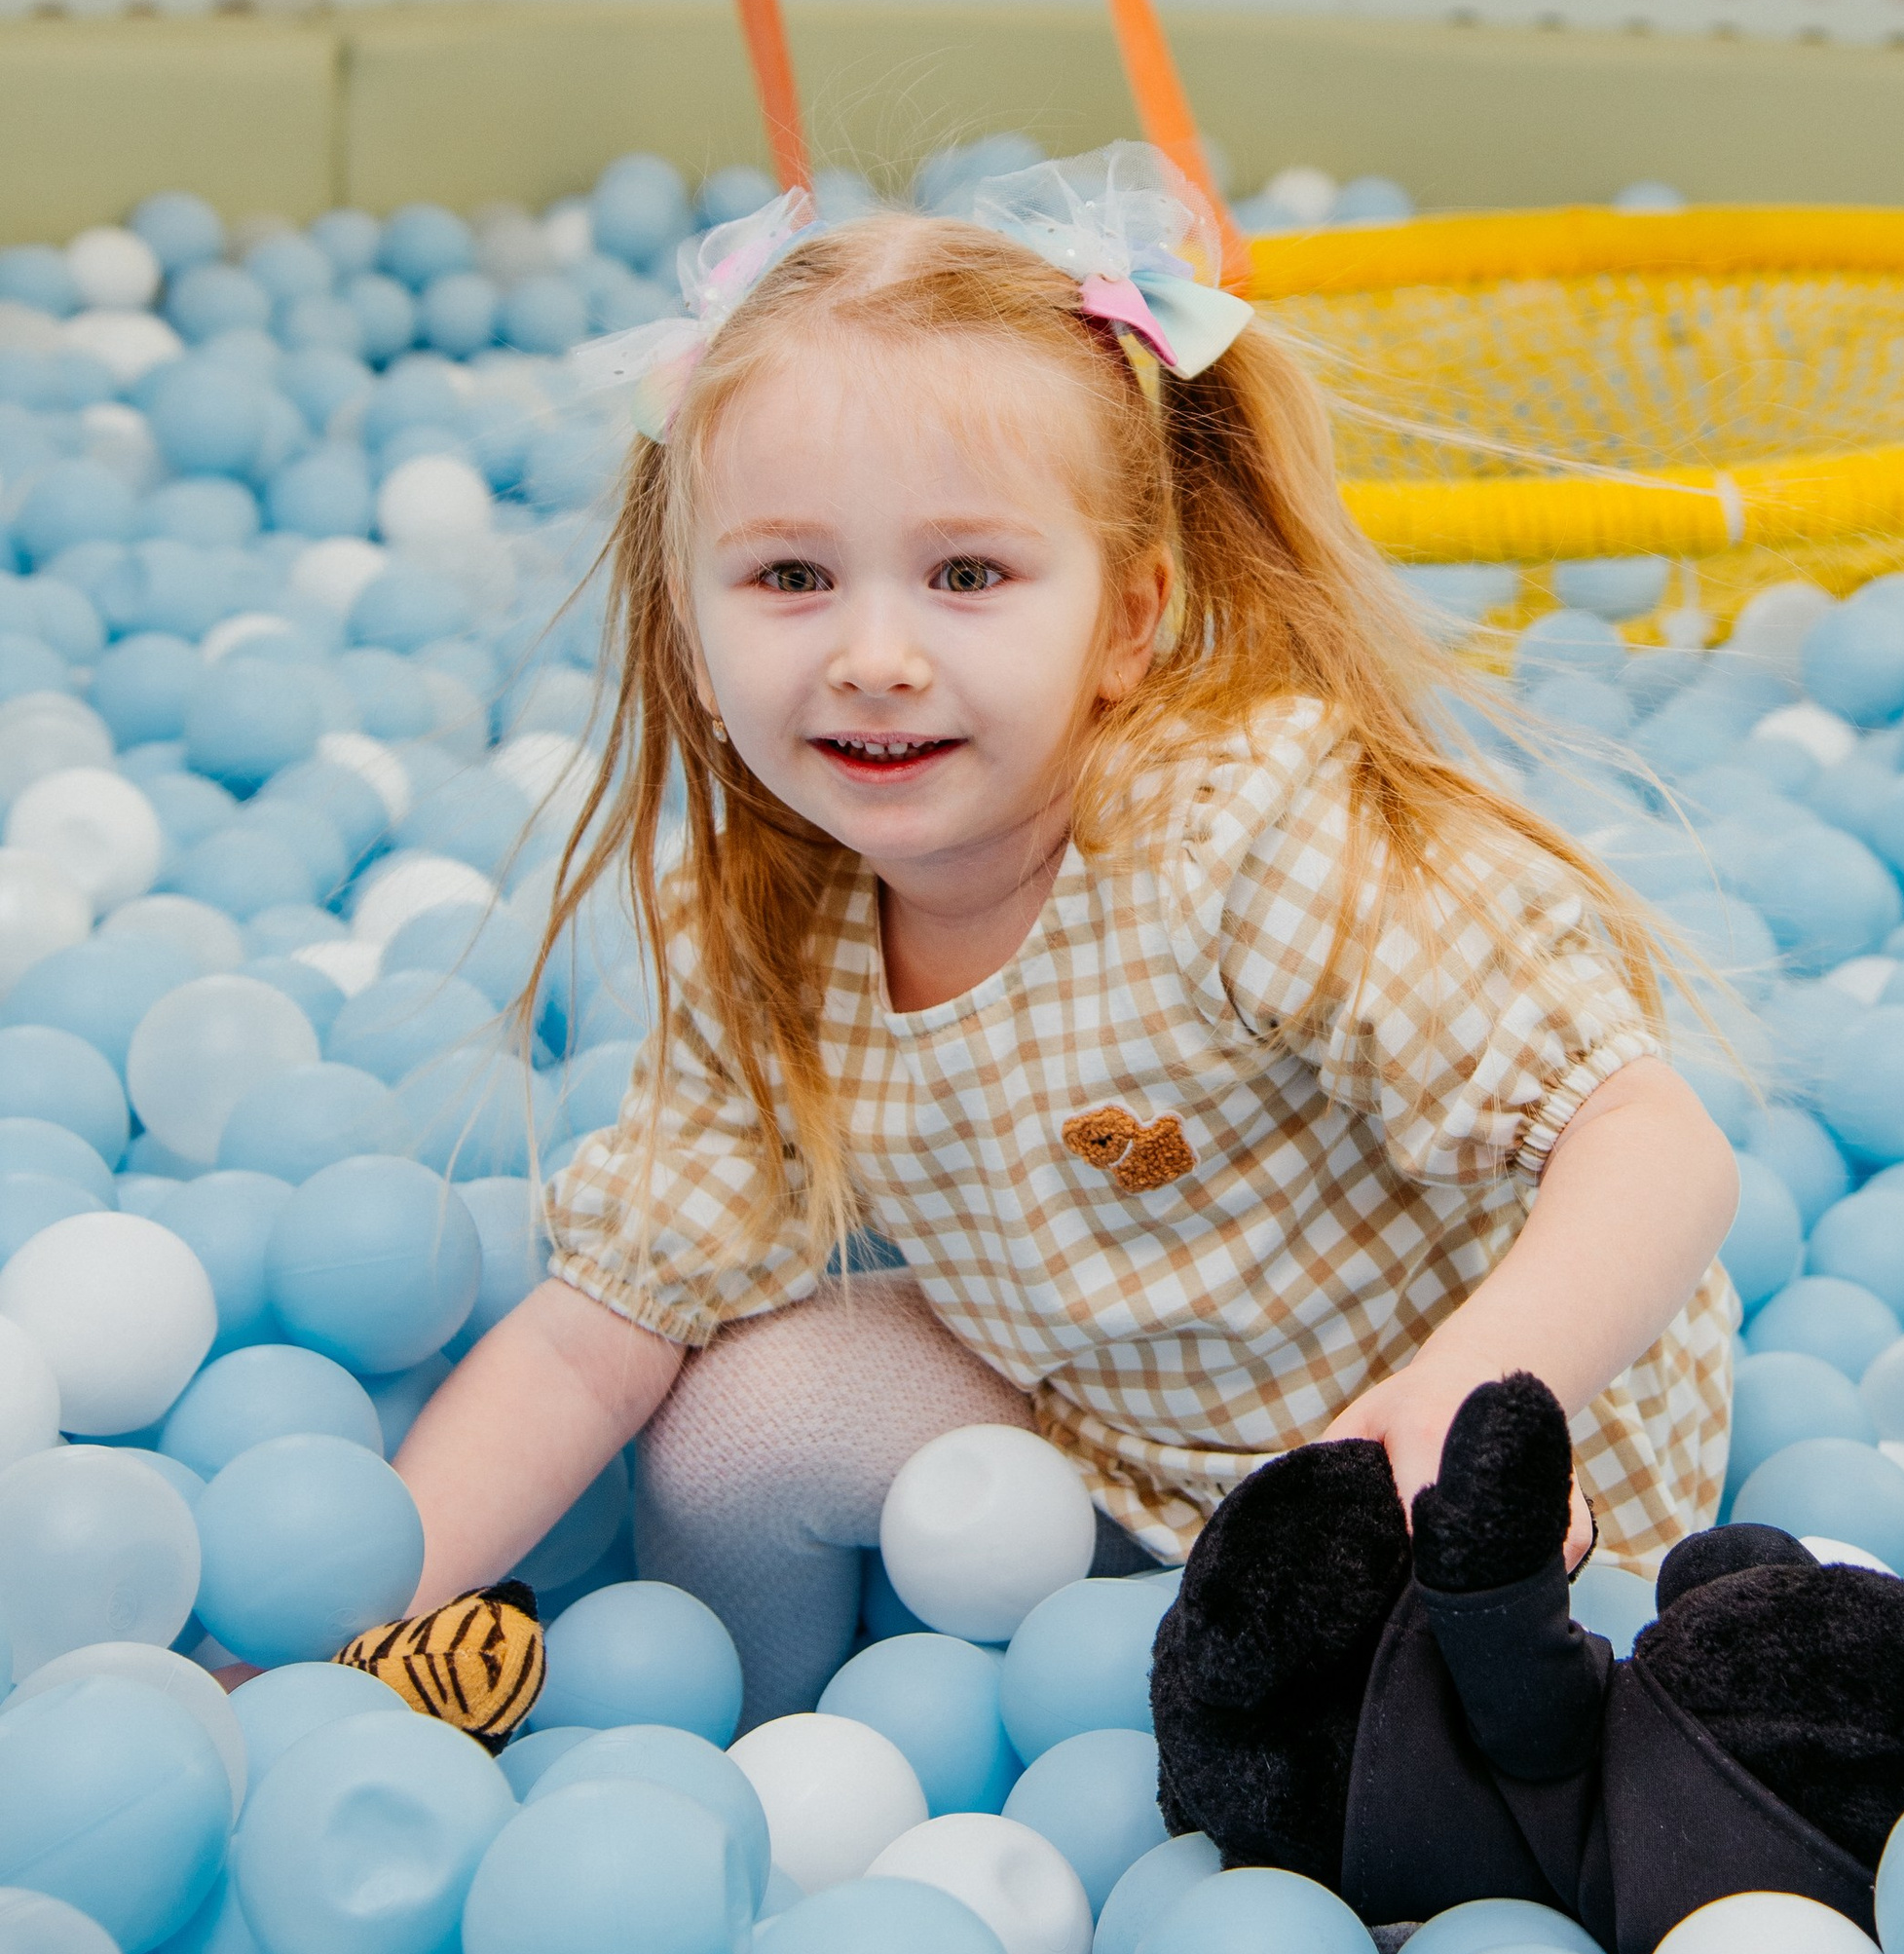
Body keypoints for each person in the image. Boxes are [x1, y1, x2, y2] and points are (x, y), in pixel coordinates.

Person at [389, 144, 1739, 1724]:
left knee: (1418, 1774)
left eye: (968, 574)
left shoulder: (1234, 833)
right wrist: (333, 1628)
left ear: (1129, 622)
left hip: (1471, 1494)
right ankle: (741, 1750)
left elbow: (1655, 1147)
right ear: (690, 641)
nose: (874, 655)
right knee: (733, 1422)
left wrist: (1465, 1408)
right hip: (1123, 1455)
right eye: (789, 577)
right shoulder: (765, 939)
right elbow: (593, 1339)